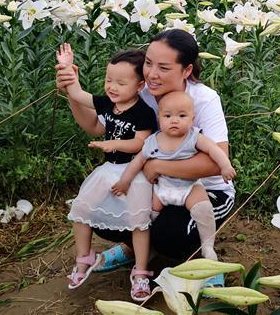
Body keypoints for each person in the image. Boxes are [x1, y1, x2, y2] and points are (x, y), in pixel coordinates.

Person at [56, 29, 234, 284]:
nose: (151, 74)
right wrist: (71, 94)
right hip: (155, 188)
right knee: (100, 208)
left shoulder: (203, 100)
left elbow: (217, 162)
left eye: (163, 68)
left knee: (171, 235)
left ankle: (205, 262)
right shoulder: (141, 91)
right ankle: (136, 249)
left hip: (204, 190)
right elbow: (96, 126)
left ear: (186, 70)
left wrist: (157, 166)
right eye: (148, 63)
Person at [61, 47, 156, 299]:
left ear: (140, 86)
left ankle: (141, 272)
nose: (112, 87)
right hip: (108, 171)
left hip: (133, 173)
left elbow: (140, 143)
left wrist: (112, 144)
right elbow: (77, 94)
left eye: (121, 83)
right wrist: (68, 69)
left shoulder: (144, 112)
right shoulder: (106, 103)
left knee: (139, 223)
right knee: (81, 209)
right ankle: (84, 258)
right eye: (108, 80)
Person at [113, 90, 236, 262]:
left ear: (192, 119)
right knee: (147, 214)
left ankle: (207, 247)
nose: (174, 120)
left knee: (202, 208)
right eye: (168, 116)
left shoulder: (193, 136)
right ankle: (147, 248)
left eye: (182, 116)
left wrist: (225, 165)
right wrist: (124, 182)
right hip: (162, 188)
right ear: (159, 119)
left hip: (189, 186)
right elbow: (138, 162)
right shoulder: (152, 141)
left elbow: (213, 149)